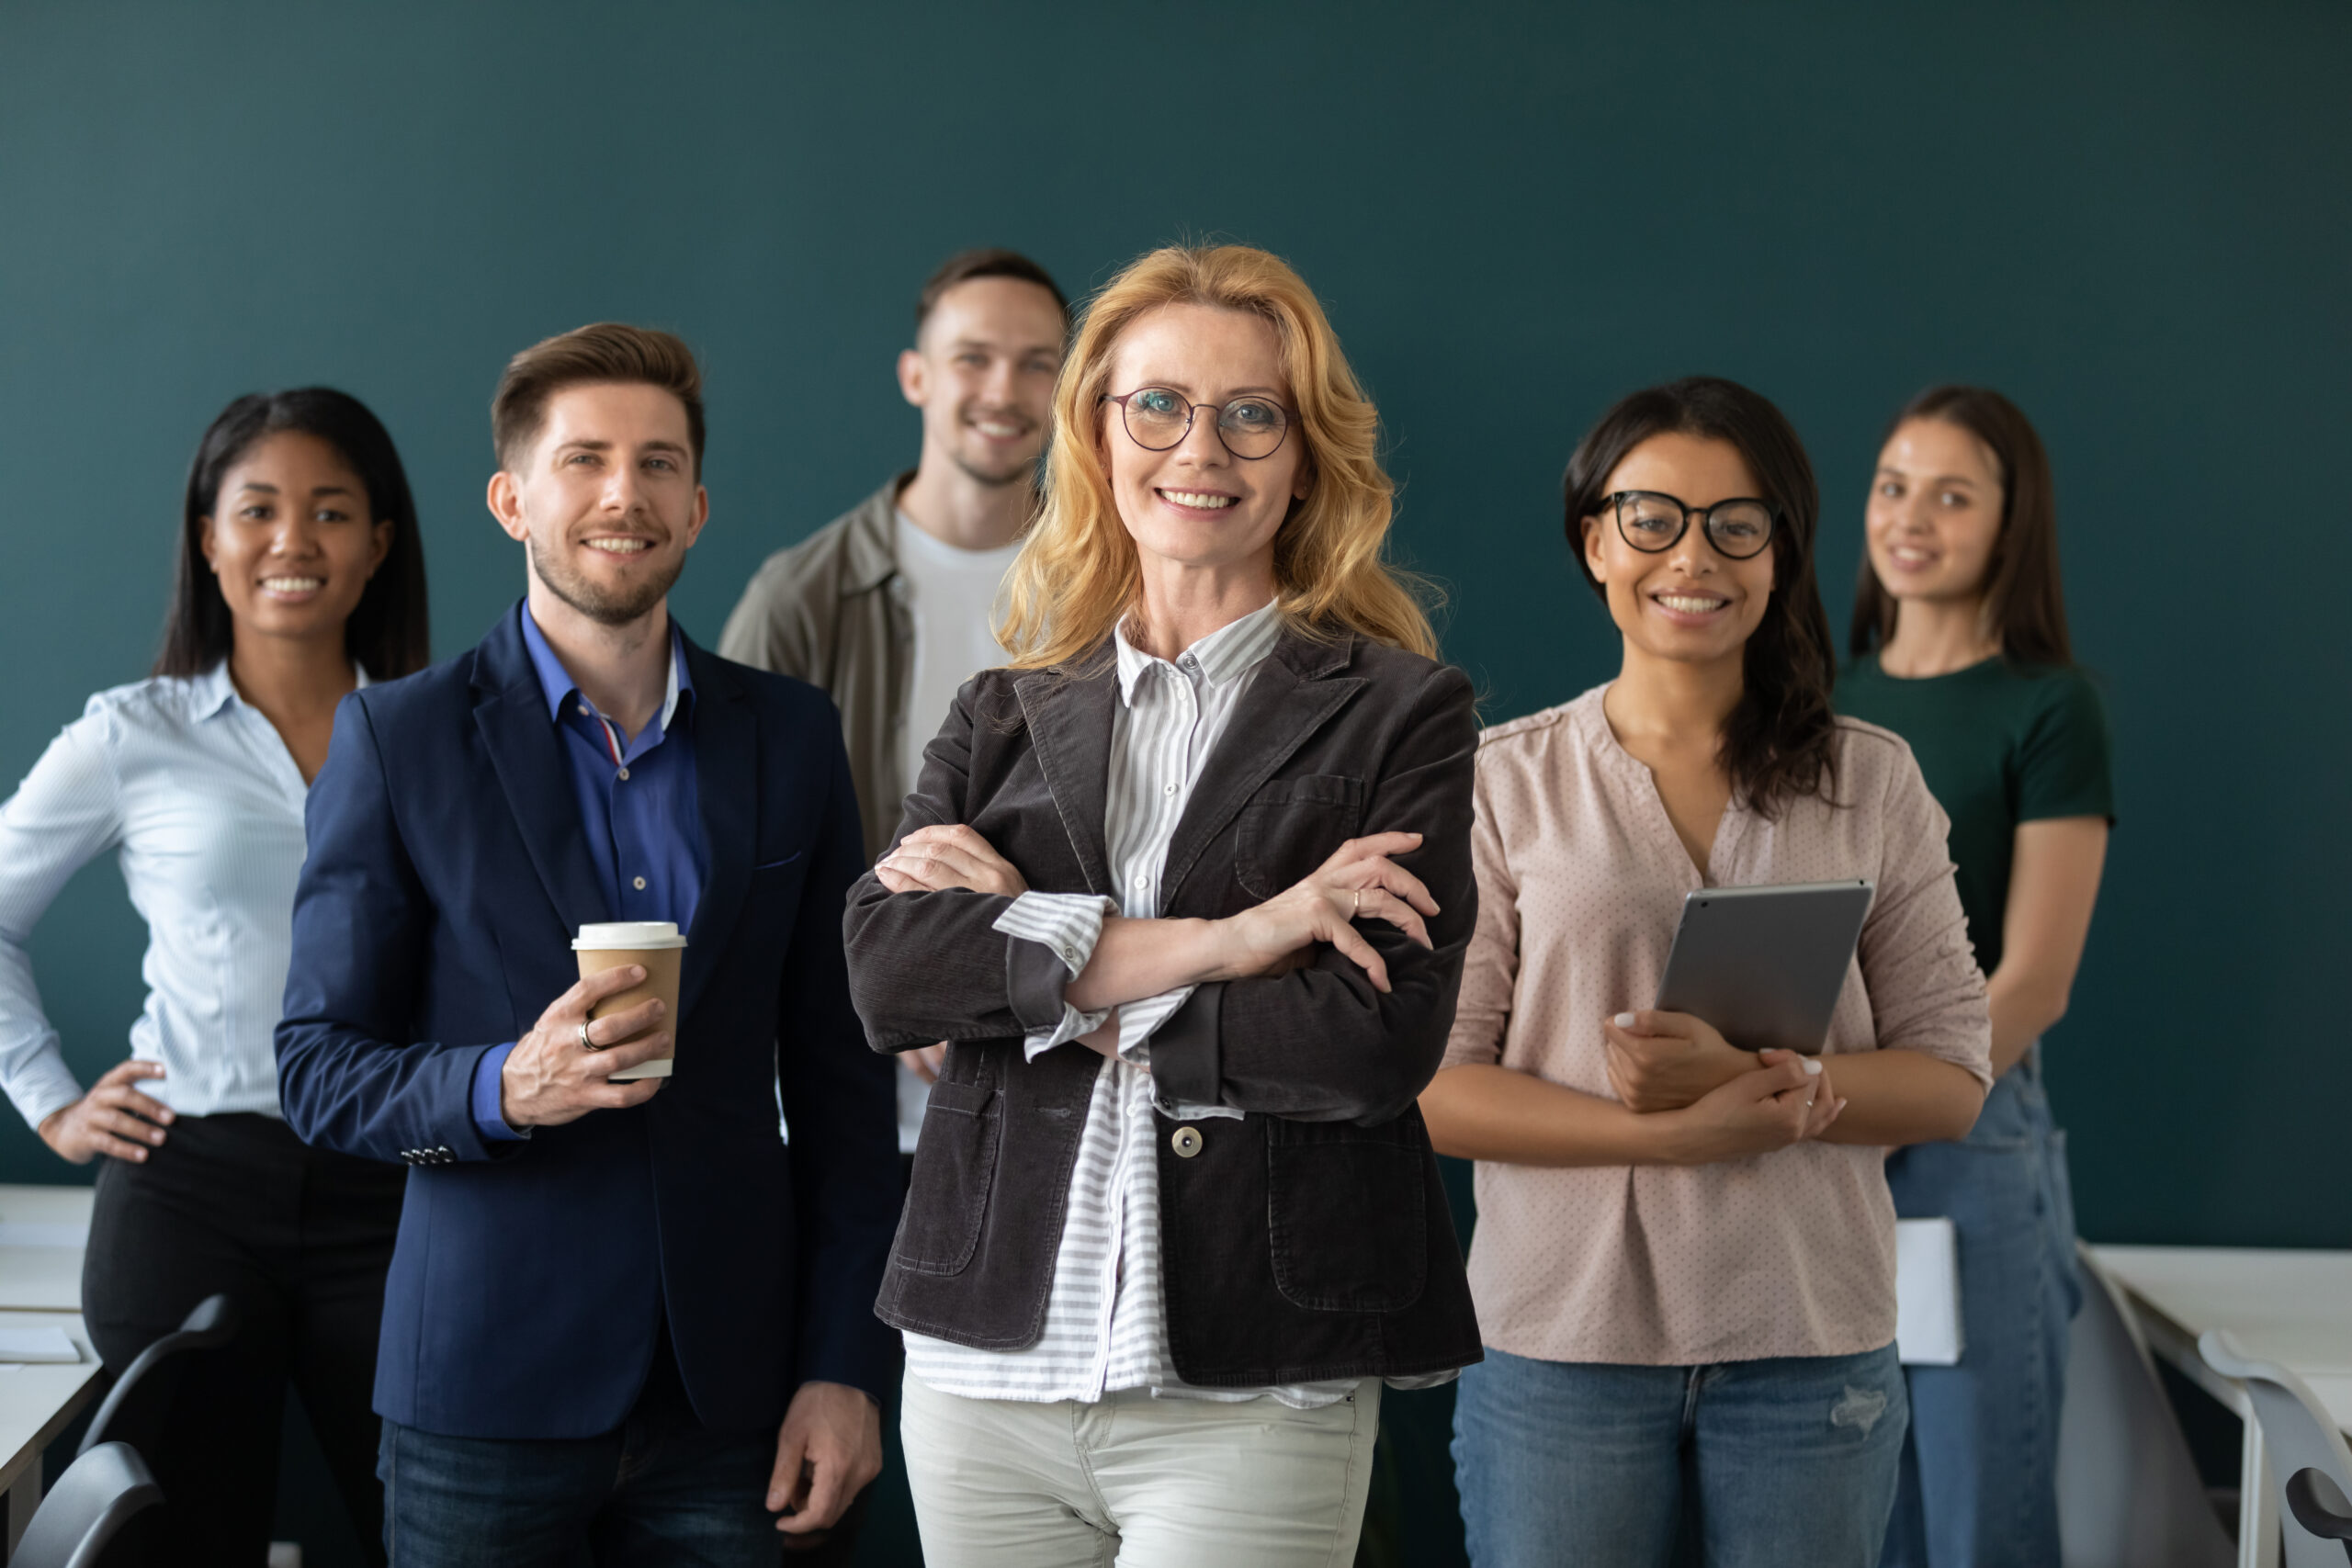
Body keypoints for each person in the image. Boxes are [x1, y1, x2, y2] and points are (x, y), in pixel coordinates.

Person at [841, 243, 1483, 1568]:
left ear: (1304, 455)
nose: (1201, 448)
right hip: (985, 1363)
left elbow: (1367, 1042)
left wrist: (1032, 946)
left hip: (1255, 1373)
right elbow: (891, 974)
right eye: (1158, 405)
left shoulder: (1402, 711)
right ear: (1098, 433)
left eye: (1251, 412)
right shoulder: (1002, 711)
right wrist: (1242, 941)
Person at [273, 323, 901, 1567]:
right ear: (512, 500)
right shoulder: (399, 739)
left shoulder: (790, 735)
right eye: (585, 460)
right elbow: (317, 1067)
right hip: (481, 1388)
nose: (626, 493)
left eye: (659, 463)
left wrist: (845, 1365)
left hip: (737, 1397)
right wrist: (503, 1086)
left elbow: (844, 1085)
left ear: (697, 507)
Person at [1420, 377, 1995, 1568]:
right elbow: (1434, 1088)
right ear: (1595, 541)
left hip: (1810, 1344)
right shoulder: (1502, 782)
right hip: (1560, 1347)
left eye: (1737, 524)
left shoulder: (1871, 780)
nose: (1693, 556)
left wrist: (1755, 1081)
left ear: (1781, 552)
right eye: (1652, 518)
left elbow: (1950, 1076)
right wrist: (1674, 1134)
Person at [0, 388, 428, 1562]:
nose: (294, 540)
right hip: (187, 1190)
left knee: (433, 1532)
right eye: (258, 510)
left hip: (392, 1192)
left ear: (378, 543)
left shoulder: (441, 733)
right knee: (186, 1542)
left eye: (331, 511)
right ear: (207, 538)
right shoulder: (131, 734)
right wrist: (49, 1100)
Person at [1838, 387, 2112, 1568]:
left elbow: (2035, 980)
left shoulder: (2047, 706)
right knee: (1859, 1522)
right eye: (1893, 486)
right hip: (1825, 1141)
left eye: (1952, 496)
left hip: (1963, 1134)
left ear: (2011, 523)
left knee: (1973, 1521)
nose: (1911, 518)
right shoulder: (1823, 700)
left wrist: (1889, 1107)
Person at [721, 246, 1069, 1166]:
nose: (1004, 390)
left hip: (1063, 1103)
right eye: (973, 358)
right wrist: (909, 978)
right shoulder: (801, 598)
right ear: (916, 376)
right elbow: (731, 860)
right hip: (847, 1119)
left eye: (1038, 363)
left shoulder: (1115, 590)